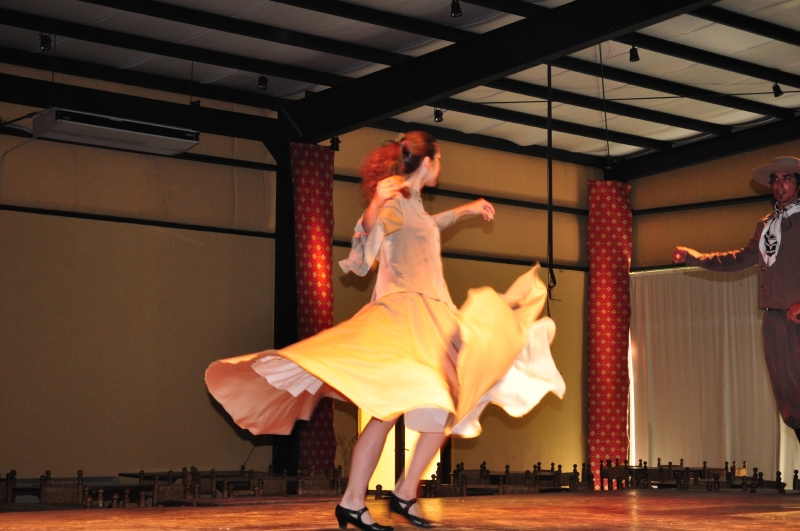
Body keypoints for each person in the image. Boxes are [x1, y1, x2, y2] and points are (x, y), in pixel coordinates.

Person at [206, 131, 565, 530]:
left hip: (434, 317)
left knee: (447, 407)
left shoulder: (414, 206)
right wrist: (376, 202)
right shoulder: (394, 202)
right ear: (428, 162)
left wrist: (466, 210)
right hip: (406, 317)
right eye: (440, 160)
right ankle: (357, 501)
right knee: (390, 411)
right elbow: (365, 249)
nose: (440, 167)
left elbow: (430, 225)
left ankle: (401, 493)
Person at [673, 156, 800, 444]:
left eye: (787, 178)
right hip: (774, 319)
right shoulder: (767, 225)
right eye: (775, 179)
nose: (780, 184)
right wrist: (696, 258)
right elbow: (741, 259)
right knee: (787, 396)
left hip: (796, 318)